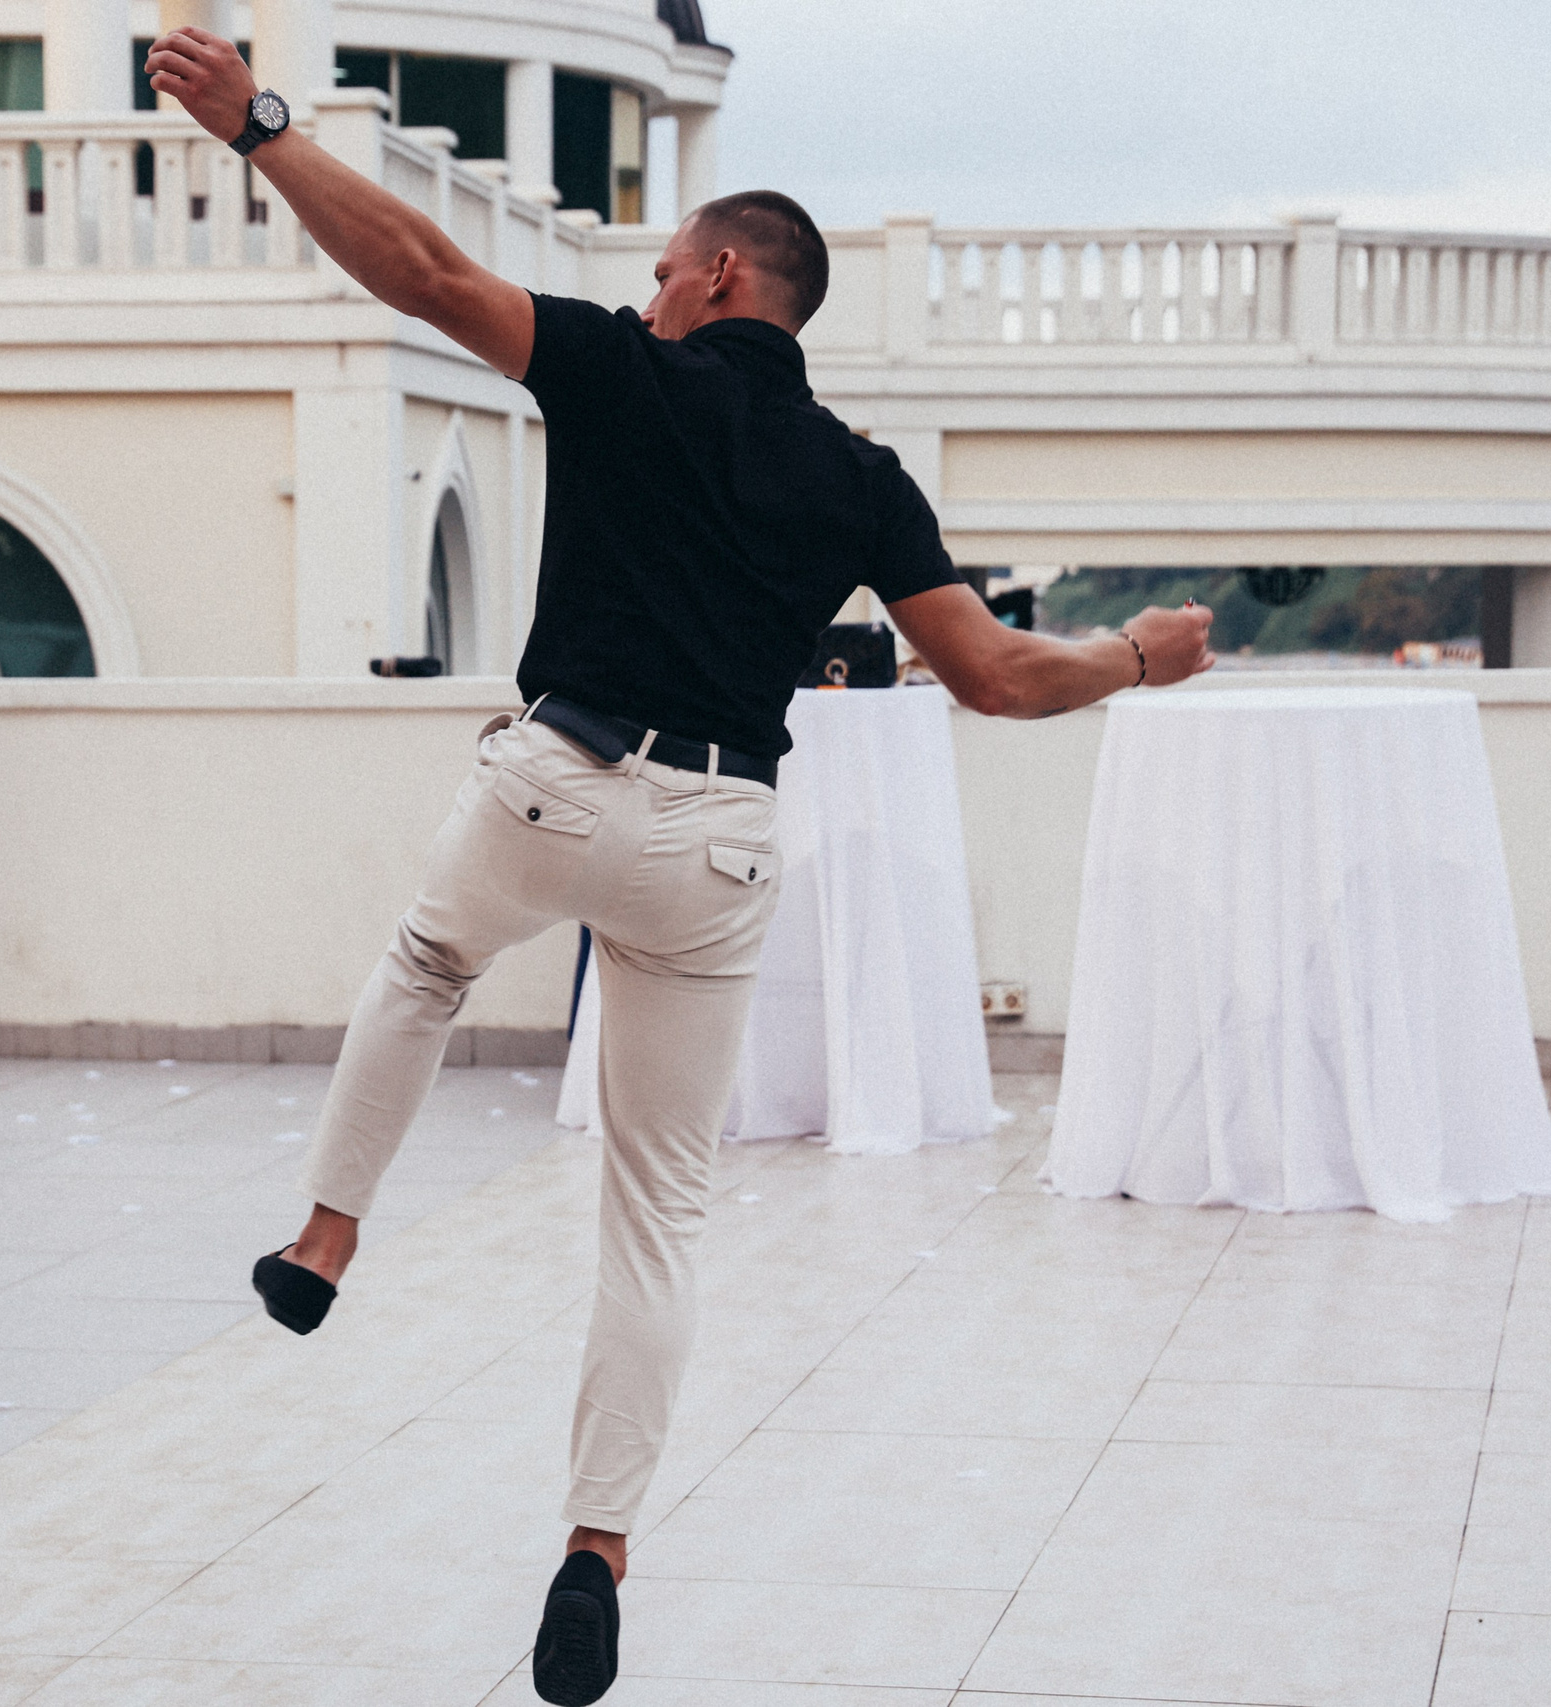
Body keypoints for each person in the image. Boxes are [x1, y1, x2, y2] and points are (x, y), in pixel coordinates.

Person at [147, 29, 1216, 1706]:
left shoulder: (612, 369)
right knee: (656, 1214)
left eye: (659, 271)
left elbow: (420, 268)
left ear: (722, 277)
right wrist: (1142, 658)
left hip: (555, 783)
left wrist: (259, 126)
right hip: (716, 841)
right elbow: (997, 677)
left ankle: (327, 1238)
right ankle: (597, 1550)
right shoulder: (865, 480)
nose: (641, 293)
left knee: (429, 963)